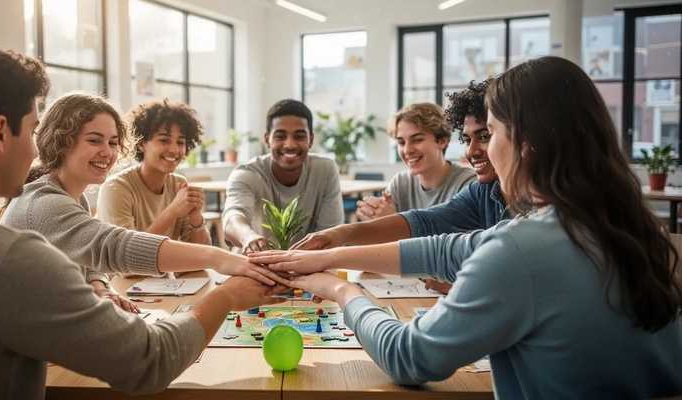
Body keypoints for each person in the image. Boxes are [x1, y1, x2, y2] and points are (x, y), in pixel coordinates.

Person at [249, 57, 682, 398]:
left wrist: (341, 289)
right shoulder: (632, 229)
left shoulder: (523, 250)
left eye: (489, 132)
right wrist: (333, 252)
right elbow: (449, 247)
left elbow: (408, 358)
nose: (482, 148)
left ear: (527, 142)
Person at [0, 42, 288, 400]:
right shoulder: (12, 259)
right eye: (33, 130)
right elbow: (149, 362)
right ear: (0, 133)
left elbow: (90, 246)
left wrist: (93, 283)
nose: (35, 148)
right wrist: (229, 294)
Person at [0, 92, 284, 308]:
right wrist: (220, 257)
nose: (107, 153)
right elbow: (112, 246)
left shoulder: (70, 197)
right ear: (61, 141)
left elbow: (87, 257)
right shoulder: (45, 201)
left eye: (112, 142)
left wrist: (99, 286)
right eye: (95, 141)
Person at [292, 79, 501, 294]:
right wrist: (340, 234)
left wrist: (330, 256)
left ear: (442, 141)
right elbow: (424, 221)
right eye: (401, 142)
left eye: (485, 137)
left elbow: (448, 253)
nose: (471, 151)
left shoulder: (474, 183)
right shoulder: (481, 191)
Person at [223, 99, 343, 253]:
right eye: (280, 136)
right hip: (255, 264)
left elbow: (330, 234)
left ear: (311, 140)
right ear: (267, 140)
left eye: (299, 136)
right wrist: (248, 237)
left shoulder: (325, 170)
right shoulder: (247, 174)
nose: (290, 144)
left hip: (310, 265)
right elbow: (233, 217)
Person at [97, 100, 210, 247]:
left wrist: (195, 217)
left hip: (159, 271)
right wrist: (172, 212)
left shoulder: (178, 184)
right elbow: (127, 257)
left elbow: (200, 254)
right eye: (164, 140)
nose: (174, 150)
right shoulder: (116, 188)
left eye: (180, 142)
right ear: (141, 144)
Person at [355, 103, 475, 222]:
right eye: (401, 142)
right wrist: (374, 216)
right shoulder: (400, 184)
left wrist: (393, 222)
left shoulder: (468, 184)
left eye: (417, 140)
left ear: (442, 141)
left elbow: (459, 239)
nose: (407, 150)